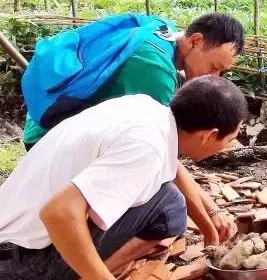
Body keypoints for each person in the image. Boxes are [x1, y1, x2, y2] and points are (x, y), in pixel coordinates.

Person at [0, 76, 248, 280]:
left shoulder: (148, 109)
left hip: (2, 242)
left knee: (166, 200)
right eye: (228, 140)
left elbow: (171, 166)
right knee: (168, 213)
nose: (226, 149)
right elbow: (58, 213)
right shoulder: (146, 150)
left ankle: (82, 276)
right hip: (20, 269)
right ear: (210, 135)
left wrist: (209, 226)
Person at [23, 12, 246, 242]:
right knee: (165, 205)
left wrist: (211, 210)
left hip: (50, 123)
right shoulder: (154, 72)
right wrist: (210, 220)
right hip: (51, 140)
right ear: (195, 41)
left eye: (221, 71)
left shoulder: (162, 30)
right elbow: (162, 154)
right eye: (213, 66)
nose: (215, 76)